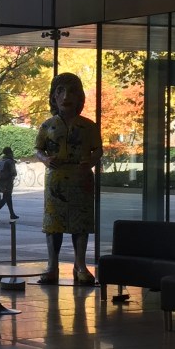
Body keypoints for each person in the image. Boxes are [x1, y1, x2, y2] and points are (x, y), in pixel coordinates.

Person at [34, 73, 101, 285]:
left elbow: (98, 150)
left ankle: (80, 265)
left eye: (72, 91)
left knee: (81, 223)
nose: (66, 96)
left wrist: (90, 161)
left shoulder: (89, 126)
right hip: (56, 178)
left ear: (80, 96)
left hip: (81, 178)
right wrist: (45, 159)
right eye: (60, 91)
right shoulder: (48, 125)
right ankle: (52, 266)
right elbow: (38, 148)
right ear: (53, 96)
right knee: (54, 223)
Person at [0, 146, 17, 220]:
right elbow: (14, 173)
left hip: (0, 182)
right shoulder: (10, 161)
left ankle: (12, 214)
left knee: (8, 198)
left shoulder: (0, 160)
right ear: (10, 152)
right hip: (8, 183)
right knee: (6, 198)